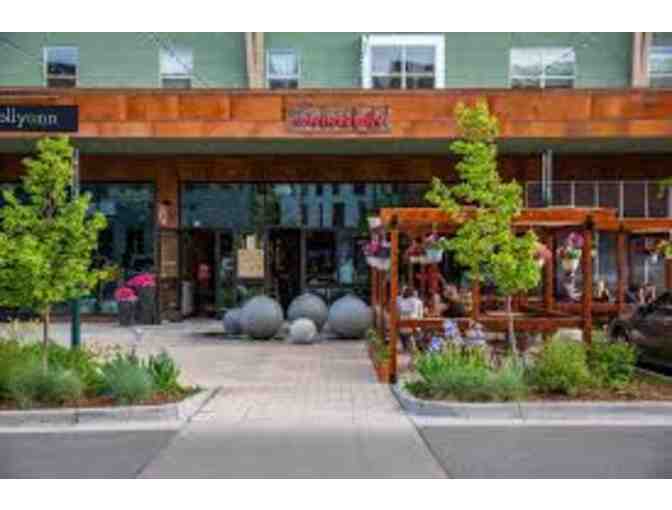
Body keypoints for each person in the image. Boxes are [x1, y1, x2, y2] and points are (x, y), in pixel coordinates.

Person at [397, 286, 423, 352]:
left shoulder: (404, 301)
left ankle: (407, 347)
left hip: (407, 323)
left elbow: (400, 311)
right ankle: (416, 346)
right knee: (415, 332)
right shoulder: (417, 301)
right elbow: (420, 314)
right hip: (412, 323)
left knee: (404, 332)